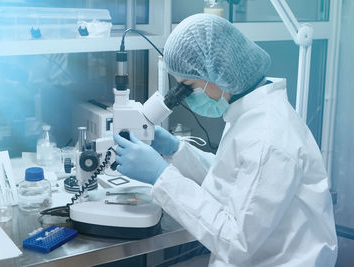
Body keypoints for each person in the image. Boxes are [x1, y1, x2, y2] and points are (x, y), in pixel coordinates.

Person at [113, 14, 337, 266]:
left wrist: (161, 177)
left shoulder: (267, 138)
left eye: (188, 85)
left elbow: (236, 243)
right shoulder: (251, 113)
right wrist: (177, 151)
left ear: (217, 70)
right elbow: (234, 179)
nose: (186, 96)